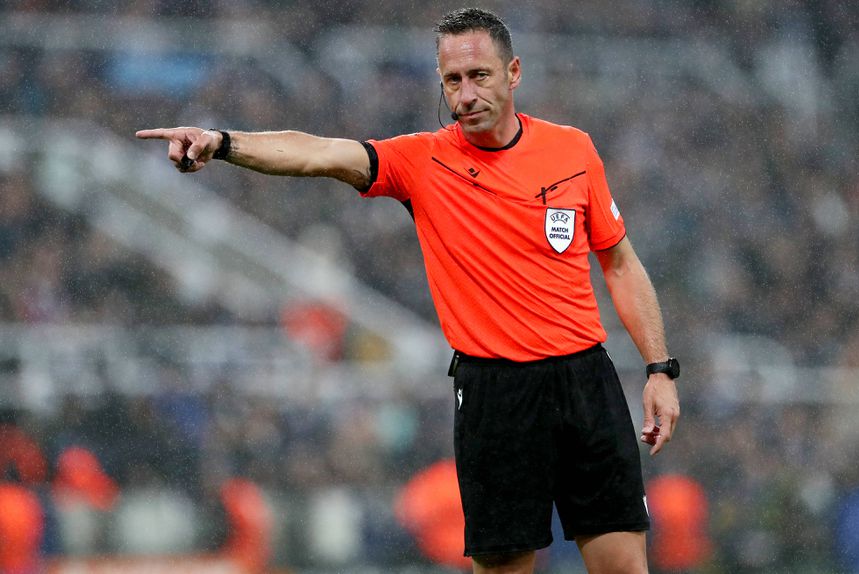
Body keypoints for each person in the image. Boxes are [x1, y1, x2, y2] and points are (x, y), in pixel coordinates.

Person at [137, 7, 680, 573]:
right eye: (453, 80)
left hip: (584, 380)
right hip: (495, 392)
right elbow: (319, 153)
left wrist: (659, 369)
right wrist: (223, 142)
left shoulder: (572, 149)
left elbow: (620, 263)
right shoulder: (422, 160)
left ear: (513, 72)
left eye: (480, 76)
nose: (466, 94)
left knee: (623, 566)